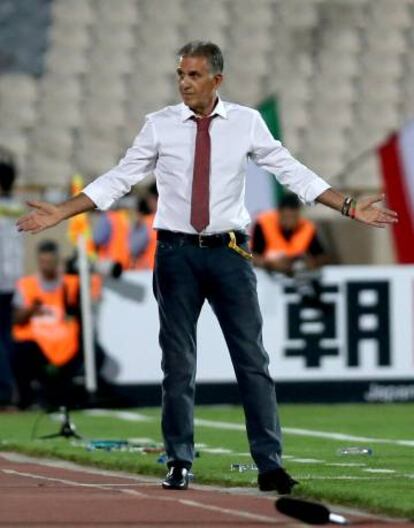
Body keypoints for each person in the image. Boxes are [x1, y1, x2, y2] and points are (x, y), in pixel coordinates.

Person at [16, 41, 398, 492]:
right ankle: (179, 459)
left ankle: (270, 464)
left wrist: (349, 206)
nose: (184, 83)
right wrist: (62, 212)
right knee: (177, 365)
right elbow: (120, 178)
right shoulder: (158, 125)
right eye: (180, 74)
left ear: (217, 80)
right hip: (175, 254)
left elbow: (291, 171)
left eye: (194, 75)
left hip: (229, 253)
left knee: (252, 361)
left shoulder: (246, 123)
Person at [12, 240, 102, 409]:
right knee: (19, 352)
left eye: (50, 261)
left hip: (66, 346)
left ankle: (76, 394)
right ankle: (25, 399)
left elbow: (89, 298)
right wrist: (31, 309)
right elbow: (16, 318)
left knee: (95, 353)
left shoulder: (70, 283)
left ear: (57, 261)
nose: (47, 266)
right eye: (43, 261)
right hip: (37, 346)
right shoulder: (27, 285)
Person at [252, 193, 329, 275]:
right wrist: (269, 264)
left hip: (301, 276)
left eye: (293, 217)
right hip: (268, 278)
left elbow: (322, 257)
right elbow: (252, 256)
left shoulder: (307, 227)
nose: (289, 221)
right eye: (286, 217)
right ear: (279, 213)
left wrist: (311, 262)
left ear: (298, 214)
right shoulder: (264, 223)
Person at [0, 148, 24, 409]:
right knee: (6, 338)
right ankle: (13, 391)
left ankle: (5, 393)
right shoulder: (15, 209)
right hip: (11, 281)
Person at [130, 183, 158, 270]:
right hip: (163, 272)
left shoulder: (147, 222)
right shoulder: (171, 221)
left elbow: (133, 248)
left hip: (145, 272)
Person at [93, 205, 131, 270]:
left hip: (110, 264)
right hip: (124, 262)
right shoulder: (122, 217)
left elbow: (98, 239)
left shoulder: (105, 218)